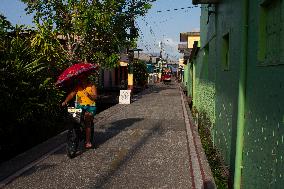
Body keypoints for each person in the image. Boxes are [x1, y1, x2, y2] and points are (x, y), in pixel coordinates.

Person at [62, 75, 97, 149]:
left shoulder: (92, 86)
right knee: (72, 117)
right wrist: (65, 101)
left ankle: (87, 142)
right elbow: (71, 94)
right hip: (80, 107)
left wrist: (89, 95)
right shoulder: (78, 87)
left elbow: (95, 97)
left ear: (86, 78)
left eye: (83, 78)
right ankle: (75, 132)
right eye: (80, 79)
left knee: (87, 120)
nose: (82, 80)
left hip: (90, 107)